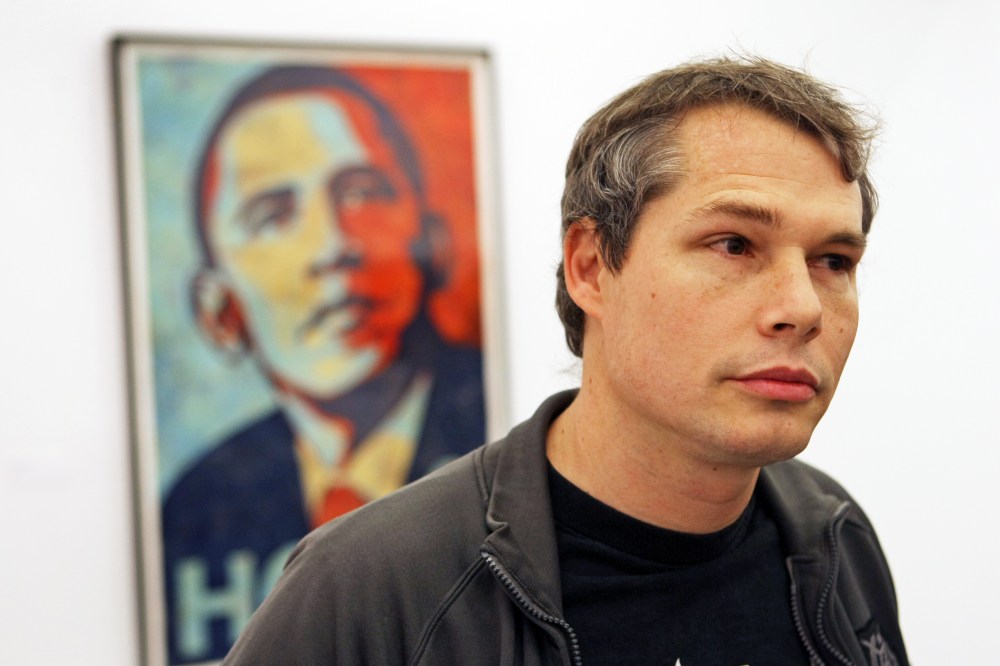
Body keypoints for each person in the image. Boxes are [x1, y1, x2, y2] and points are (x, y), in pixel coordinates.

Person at [223, 56, 909, 665]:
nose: (802, 306)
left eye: (833, 261)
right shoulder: (372, 588)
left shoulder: (833, 532)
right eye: (733, 245)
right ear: (590, 267)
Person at [161, 66, 486, 664]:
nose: (335, 245)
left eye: (362, 191)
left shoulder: (515, 451)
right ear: (220, 311)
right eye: (273, 214)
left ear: (433, 243)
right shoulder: (200, 502)